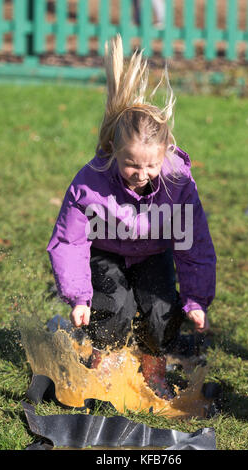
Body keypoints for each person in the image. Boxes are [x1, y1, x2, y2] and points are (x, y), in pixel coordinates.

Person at [46, 34, 216, 400]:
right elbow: (70, 241)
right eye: (131, 165)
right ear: (114, 153)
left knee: (160, 310)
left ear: (165, 153)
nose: (141, 174)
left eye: (150, 165)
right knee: (114, 306)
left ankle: (154, 365)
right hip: (105, 251)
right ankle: (104, 362)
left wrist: (196, 299)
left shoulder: (177, 185)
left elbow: (192, 244)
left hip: (153, 251)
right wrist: (78, 296)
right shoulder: (90, 184)